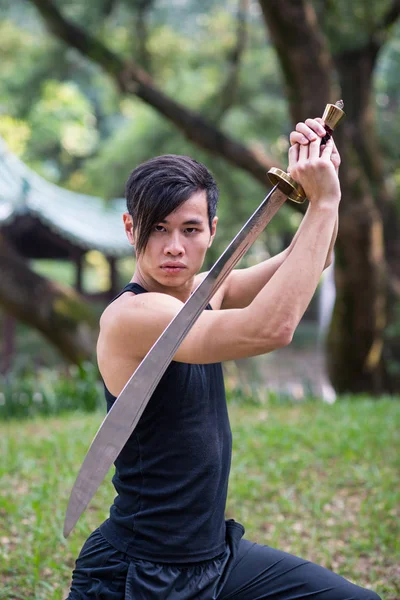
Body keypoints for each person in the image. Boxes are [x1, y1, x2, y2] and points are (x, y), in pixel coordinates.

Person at [66, 118, 381, 600]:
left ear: (212, 229)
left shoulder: (203, 292)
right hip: (142, 572)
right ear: (130, 228)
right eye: (157, 229)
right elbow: (269, 328)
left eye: (190, 229)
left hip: (216, 559)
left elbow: (314, 259)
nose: (174, 246)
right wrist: (324, 201)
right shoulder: (134, 316)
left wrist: (324, 173)